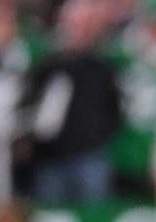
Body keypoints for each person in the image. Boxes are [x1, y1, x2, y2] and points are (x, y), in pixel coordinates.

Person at [17, 0, 122, 202]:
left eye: (85, 24)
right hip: (51, 156)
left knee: (94, 215)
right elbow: (30, 103)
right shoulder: (48, 64)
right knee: (51, 217)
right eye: (74, 24)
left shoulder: (102, 66)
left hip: (90, 154)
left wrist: (99, 136)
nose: (78, 31)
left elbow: (114, 108)